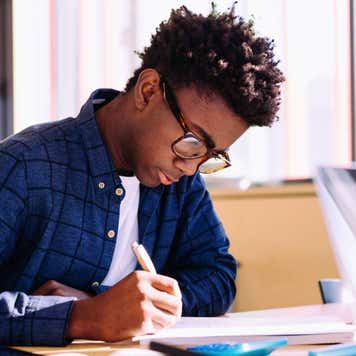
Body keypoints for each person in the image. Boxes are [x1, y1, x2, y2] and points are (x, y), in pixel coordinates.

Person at [0, 5, 284, 345]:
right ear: (148, 91)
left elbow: (218, 276)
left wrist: (148, 305)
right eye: (193, 142)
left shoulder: (179, 183)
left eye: (211, 155)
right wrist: (83, 317)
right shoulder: (24, 166)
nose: (192, 167)